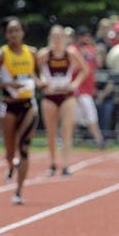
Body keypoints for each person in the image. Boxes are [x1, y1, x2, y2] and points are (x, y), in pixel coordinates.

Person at [0, 17, 42, 204]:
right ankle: (11, 164)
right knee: (10, 150)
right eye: (10, 31)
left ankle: (18, 191)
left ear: (23, 32)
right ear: (6, 34)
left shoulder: (32, 53)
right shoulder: (0, 55)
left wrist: (40, 83)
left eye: (17, 30)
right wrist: (9, 84)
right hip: (8, 104)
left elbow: (37, 76)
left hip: (28, 104)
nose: (14, 34)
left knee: (24, 146)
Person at [37, 24, 89, 176]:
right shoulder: (44, 54)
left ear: (65, 38)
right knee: (51, 132)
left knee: (67, 130)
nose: (57, 40)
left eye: (60, 37)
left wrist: (75, 84)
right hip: (50, 96)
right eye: (54, 37)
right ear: (50, 38)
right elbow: (32, 69)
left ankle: (66, 165)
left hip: (66, 95)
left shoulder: (71, 53)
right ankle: (52, 163)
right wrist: (40, 81)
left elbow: (85, 69)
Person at [72, 26, 106, 148]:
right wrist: (81, 56)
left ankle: (65, 140)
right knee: (90, 114)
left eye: (87, 36)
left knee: (75, 118)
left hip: (88, 87)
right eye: (83, 36)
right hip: (77, 88)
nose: (85, 38)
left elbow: (100, 63)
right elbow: (72, 68)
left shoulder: (91, 49)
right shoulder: (72, 50)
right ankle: (99, 140)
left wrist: (97, 52)